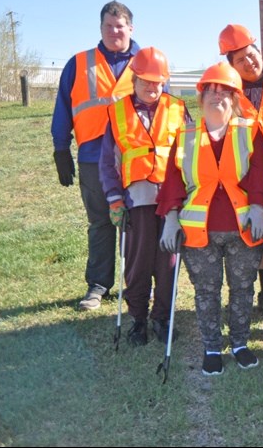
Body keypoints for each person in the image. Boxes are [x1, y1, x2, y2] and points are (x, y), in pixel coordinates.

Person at [156, 62, 263, 376]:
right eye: (210, 91)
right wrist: (170, 218)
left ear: (234, 98)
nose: (216, 97)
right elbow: (173, 181)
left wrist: (260, 208)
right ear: (201, 96)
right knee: (206, 291)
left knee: (242, 289)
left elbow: (260, 173)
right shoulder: (186, 134)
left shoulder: (250, 131)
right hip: (199, 232)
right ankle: (211, 347)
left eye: (224, 92)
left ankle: (240, 344)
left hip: (244, 228)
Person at [51, 0, 139, 311]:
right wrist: (61, 148)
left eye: (120, 25)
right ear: (100, 28)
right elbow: (63, 107)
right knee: (100, 222)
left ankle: (137, 285)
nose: (114, 31)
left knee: (137, 224)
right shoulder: (79, 63)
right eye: (108, 26)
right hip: (92, 159)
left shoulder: (148, 62)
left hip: (137, 159)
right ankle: (98, 286)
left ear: (131, 27)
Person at [100, 47, 190, 345]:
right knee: (137, 264)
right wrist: (114, 199)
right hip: (135, 202)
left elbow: (191, 156)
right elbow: (107, 162)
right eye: (146, 81)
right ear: (135, 79)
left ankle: (161, 318)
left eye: (158, 81)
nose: (152, 87)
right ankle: (138, 318)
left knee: (168, 265)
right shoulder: (116, 111)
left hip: (171, 203)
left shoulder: (178, 108)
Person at [219, 24, 263, 319]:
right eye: (240, 60)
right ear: (230, 65)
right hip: (244, 173)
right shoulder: (228, 92)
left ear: (258, 50)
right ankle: (253, 292)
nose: (249, 62)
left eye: (251, 54)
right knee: (253, 234)